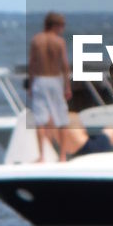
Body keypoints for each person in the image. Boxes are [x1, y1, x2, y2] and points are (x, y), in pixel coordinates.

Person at [28, 12, 72, 162]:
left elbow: (32, 64)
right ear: (55, 25)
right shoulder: (59, 42)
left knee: (40, 120)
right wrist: (67, 86)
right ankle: (62, 156)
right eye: (61, 26)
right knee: (62, 118)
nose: (63, 29)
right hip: (54, 80)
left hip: (39, 80)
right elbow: (65, 66)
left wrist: (30, 84)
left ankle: (41, 156)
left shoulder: (36, 40)